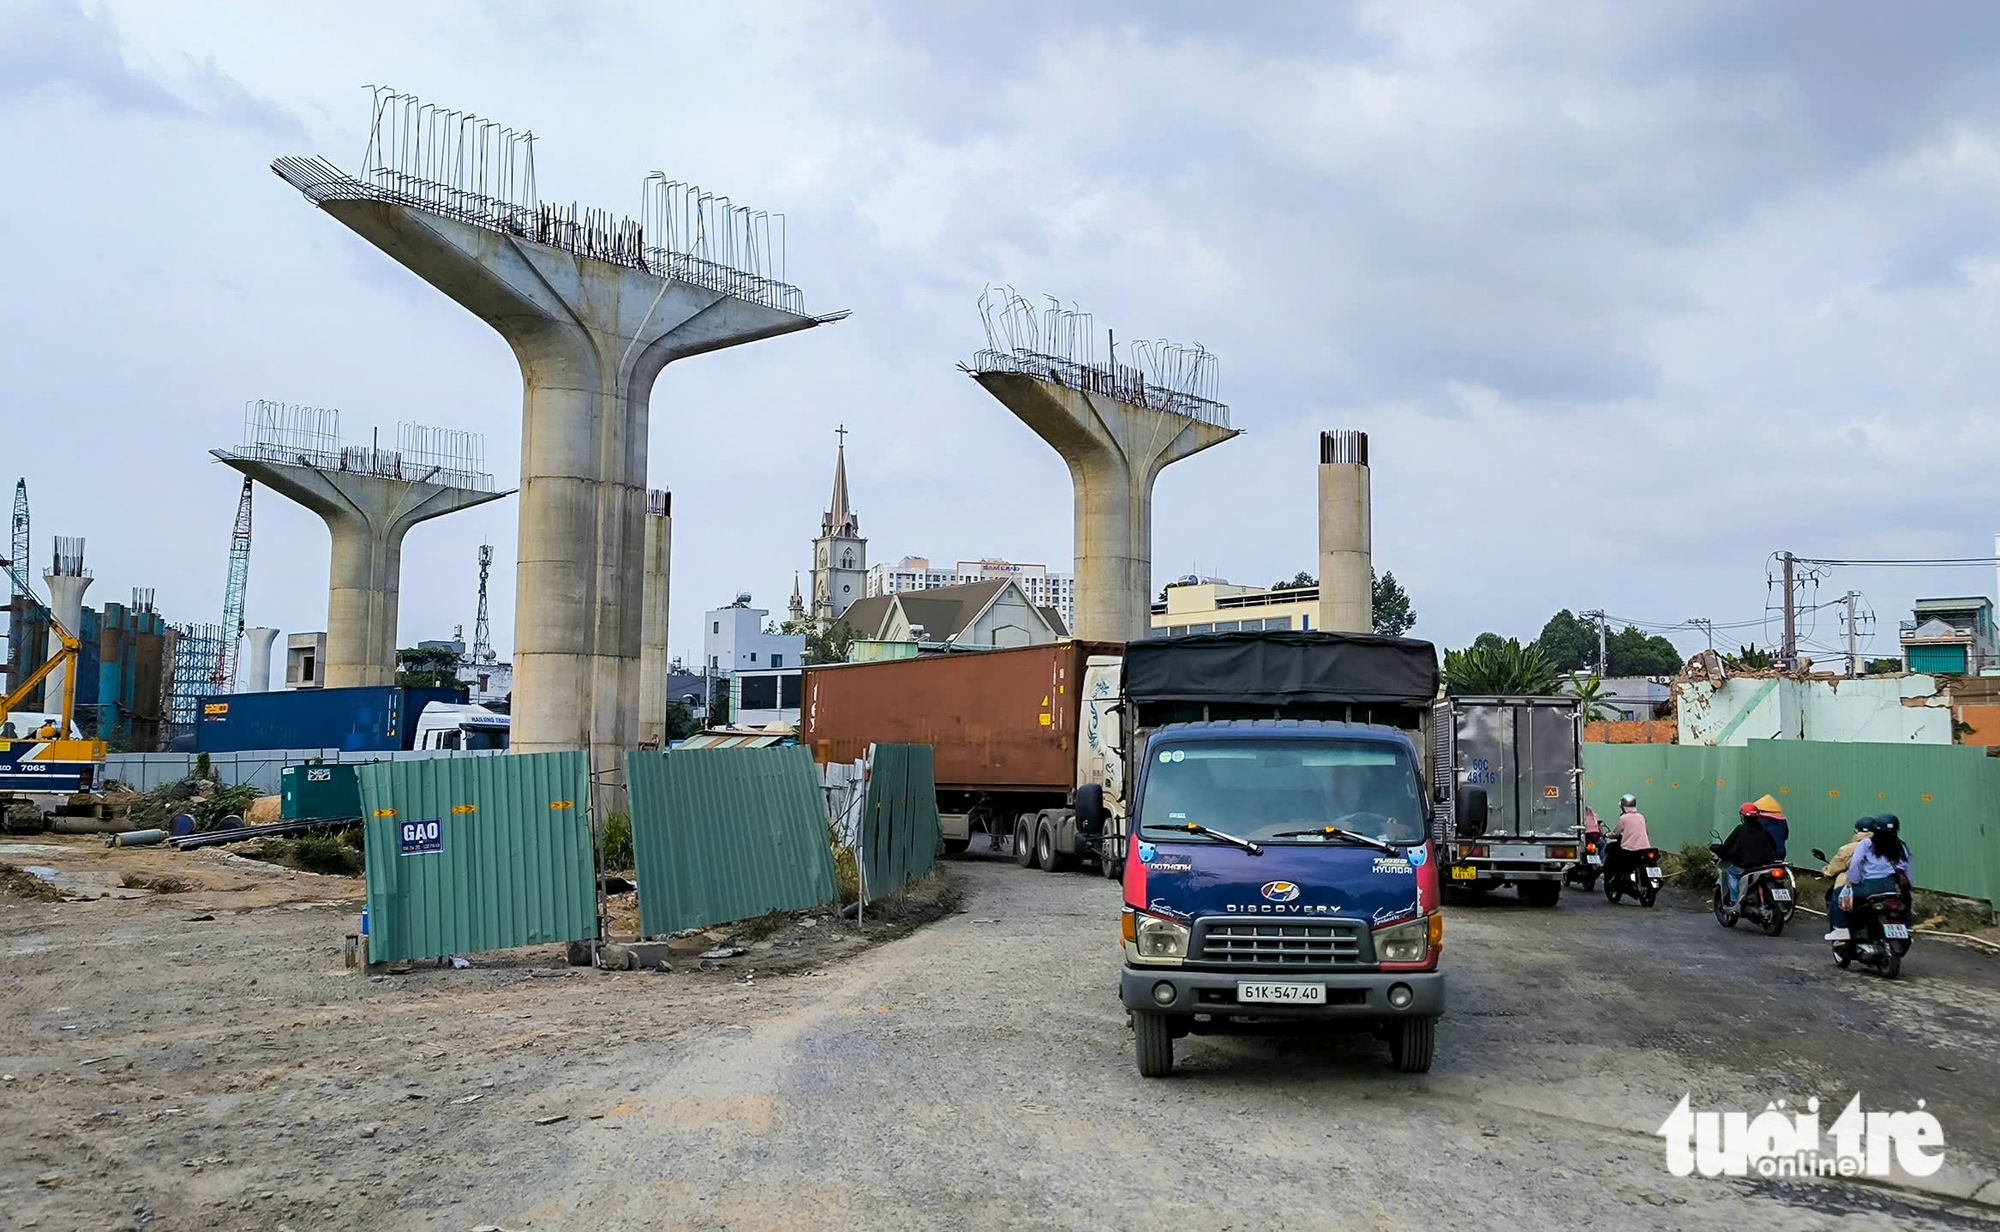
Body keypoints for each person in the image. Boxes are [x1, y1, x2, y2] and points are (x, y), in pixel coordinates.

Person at [1839, 814, 1912, 933]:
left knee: (1840, 895)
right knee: (1905, 904)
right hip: (1893, 887)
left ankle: (1842, 931)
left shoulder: (1867, 843)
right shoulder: (1901, 846)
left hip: (1870, 887)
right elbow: (1907, 869)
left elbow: (1856, 862)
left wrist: (1853, 881)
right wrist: (1908, 887)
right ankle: (1907, 927)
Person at [1712, 802, 1780, 908]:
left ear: (1742, 816)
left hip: (1745, 865)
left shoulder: (1740, 829)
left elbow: (1727, 846)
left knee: (1732, 874)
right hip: (1765, 865)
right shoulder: (1764, 830)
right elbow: (1774, 846)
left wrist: (1716, 848)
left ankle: (1734, 901)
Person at [1821, 816, 1878, 942]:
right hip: (1885, 885)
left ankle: (1841, 929)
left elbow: (1835, 867)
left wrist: (1827, 872)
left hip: (1858, 886)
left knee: (1838, 895)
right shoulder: (1885, 846)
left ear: (1857, 832)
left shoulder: (1850, 849)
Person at [1605, 794, 1650, 882]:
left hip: (1629, 849)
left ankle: (1618, 878)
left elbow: (1616, 833)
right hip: (1645, 848)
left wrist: (1607, 835)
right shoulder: (1641, 817)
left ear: (1623, 807)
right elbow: (1646, 832)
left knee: (1614, 853)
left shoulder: (1623, 818)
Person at [1750, 793, 1789, 861]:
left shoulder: (1759, 820)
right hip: (1781, 854)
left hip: (1763, 854)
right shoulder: (1782, 821)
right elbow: (1785, 836)